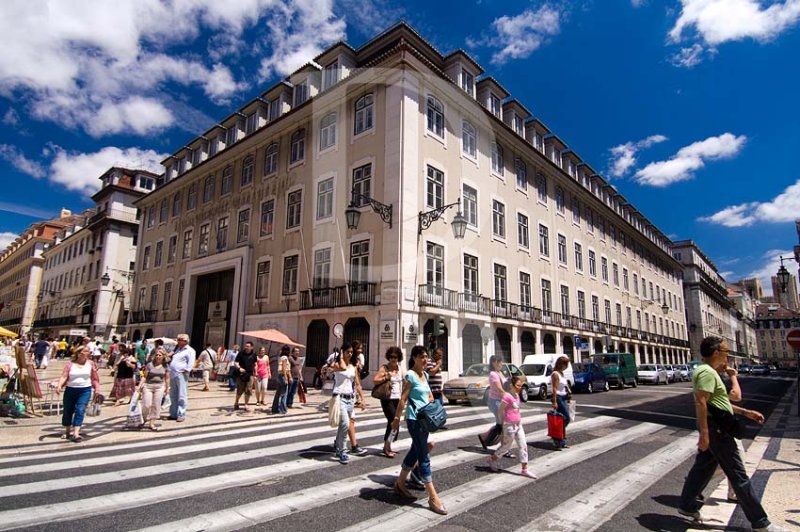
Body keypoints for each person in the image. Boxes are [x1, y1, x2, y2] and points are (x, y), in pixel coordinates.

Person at [678, 337, 780, 531]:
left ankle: (686, 506)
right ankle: (761, 523)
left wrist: (745, 412)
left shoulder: (708, 372)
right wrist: (704, 433)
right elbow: (701, 402)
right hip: (717, 429)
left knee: (702, 469)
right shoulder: (707, 372)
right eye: (725, 351)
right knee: (738, 475)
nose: (727, 355)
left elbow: (719, 402)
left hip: (716, 426)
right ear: (716, 352)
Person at [391, 345, 447, 515]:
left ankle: (400, 483)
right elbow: (403, 399)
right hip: (414, 419)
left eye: (426, 357)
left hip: (425, 420)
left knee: (415, 451)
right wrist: (396, 419)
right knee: (423, 455)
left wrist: (432, 407)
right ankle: (433, 496)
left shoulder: (425, 375)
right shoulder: (411, 375)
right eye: (422, 356)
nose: (425, 360)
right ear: (414, 357)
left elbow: (429, 396)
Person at [486, 376, 537, 479]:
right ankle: (491, 460)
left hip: (518, 424)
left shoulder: (517, 396)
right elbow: (500, 410)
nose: (519, 387)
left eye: (520, 385)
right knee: (505, 447)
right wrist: (501, 423)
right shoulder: (507, 396)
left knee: (523, 445)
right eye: (518, 385)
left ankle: (524, 469)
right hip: (509, 425)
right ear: (511, 386)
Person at [330, 342, 367, 463]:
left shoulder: (353, 366)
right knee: (345, 423)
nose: (350, 354)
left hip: (350, 398)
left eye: (351, 352)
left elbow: (357, 383)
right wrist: (340, 357)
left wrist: (362, 399)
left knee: (345, 424)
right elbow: (343, 368)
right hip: (339, 397)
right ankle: (342, 451)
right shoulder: (336, 364)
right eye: (347, 352)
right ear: (342, 352)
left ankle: (338, 445)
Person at [56, 346, 100, 442]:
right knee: (68, 410)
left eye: (88, 351)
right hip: (70, 389)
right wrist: (59, 385)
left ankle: (76, 433)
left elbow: (94, 377)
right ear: (79, 353)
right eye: (86, 351)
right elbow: (64, 376)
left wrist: (97, 388)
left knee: (80, 409)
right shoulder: (70, 364)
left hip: (85, 390)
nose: (89, 352)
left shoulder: (90, 364)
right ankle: (67, 431)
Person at [374, 346, 404, 458]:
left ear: (398, 358)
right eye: (391, 357)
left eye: (395, 357)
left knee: (395, 423)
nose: (393, 359)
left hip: (398, 398)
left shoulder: (400, 368)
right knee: (392, 421)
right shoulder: (384, 368)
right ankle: (386, 447)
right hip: (387, 399)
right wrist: (386, 377)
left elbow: (404, 382)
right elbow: (375, 380)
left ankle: (388, 445)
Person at [478, 355, 507, 450]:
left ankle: (483, 436)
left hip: (500, 401)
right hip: (496, 402)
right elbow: (499, 388)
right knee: (503, 425)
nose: (502, 363)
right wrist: (509, 398)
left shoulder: (500, 372)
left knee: (500, 424)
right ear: (494, 363)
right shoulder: (493, 374)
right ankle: (504, 448)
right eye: (500, 361)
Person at [168, 333, 196, 422]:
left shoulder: (190, 350)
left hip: (181, 374)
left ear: (185, 341)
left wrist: (186, 370)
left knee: (181, 395)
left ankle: (181, 414)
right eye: (178, 339)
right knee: (173, 395)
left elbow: (191, 362)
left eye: (180, 339)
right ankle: (173, 413)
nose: (178, 341)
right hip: (173, 374)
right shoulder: (177, 350)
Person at [141, 349, 170, 431]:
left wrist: (167, 389)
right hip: (148, 386)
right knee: (147, 404)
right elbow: (144, 376)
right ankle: (144, 418)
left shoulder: (166, 366)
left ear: (163, 356)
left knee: (156, 405)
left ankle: (152, 423)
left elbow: (167, 378)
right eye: (157, 355)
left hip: (159, 387)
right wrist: (139, 386)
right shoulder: (150, 365)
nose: (158, 356)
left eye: (160, 355)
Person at [550, 355, 572, 450]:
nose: (566, 366)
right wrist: (554, 401)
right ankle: (557, 438)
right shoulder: (555, 374)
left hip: (563, 397)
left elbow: (564, 386)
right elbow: (554, 389)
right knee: (566, 418)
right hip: (558, 397)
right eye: (565, 364)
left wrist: (568, 395)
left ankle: (561, 441)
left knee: (562, 419)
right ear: (560, 364)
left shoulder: (561, 373)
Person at [233, 342, 257, 411]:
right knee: (240, 390)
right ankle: (236, 402)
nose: (246, 347)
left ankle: (246, 404)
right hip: (241, 374)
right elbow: (236, 362)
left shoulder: (254, 355)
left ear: (252, 347)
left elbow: (255, 364)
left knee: (248, 390)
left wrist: (255, 374)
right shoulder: (241, 353)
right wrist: (239, 368)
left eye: (248, 346)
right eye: (246, 346)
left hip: (250, 374)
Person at [271, 345, 291, 415]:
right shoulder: (285, 357)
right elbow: (284, 368)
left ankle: (274, 408)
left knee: (278, 393)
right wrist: (286, 377)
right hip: (282, 375)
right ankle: (283, 410)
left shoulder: (280, 357)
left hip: (279, 375)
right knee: (284, 393)